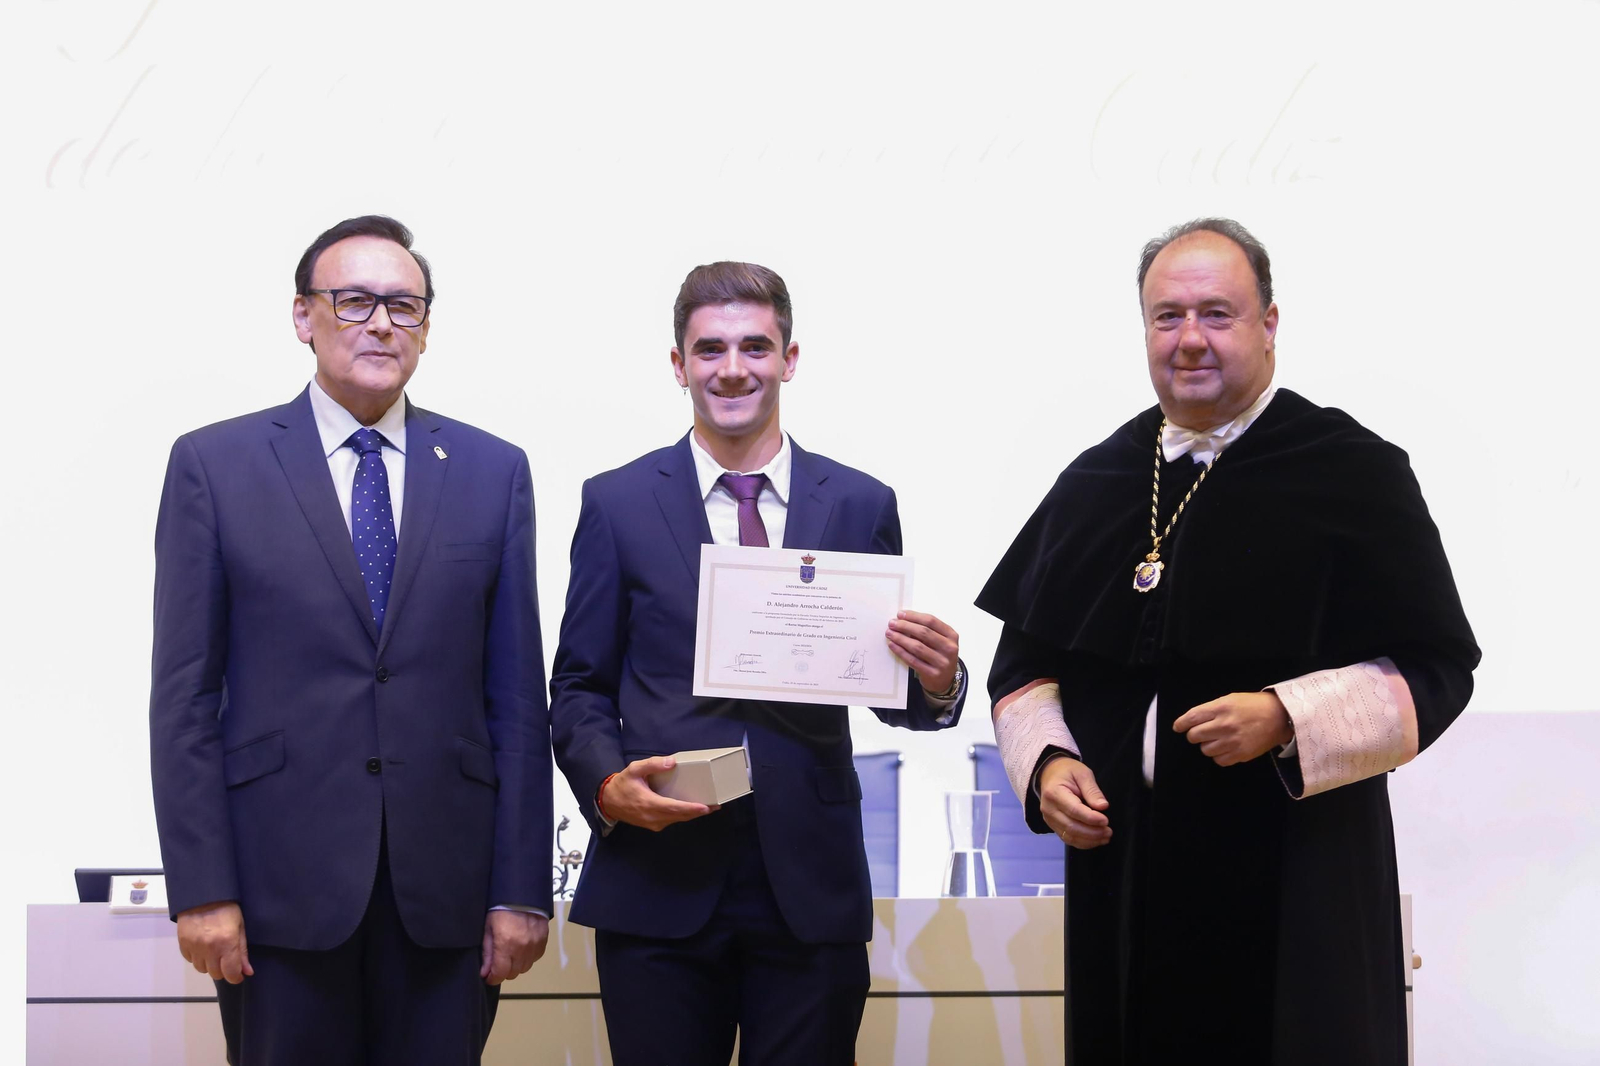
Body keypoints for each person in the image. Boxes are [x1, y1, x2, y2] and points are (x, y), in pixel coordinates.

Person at [976, 218, 1480, 1065]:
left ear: (1269, 324)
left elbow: (1439, 668)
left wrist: (1288, 715)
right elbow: (1024, 672)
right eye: (1168, 317)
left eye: (1218, 313)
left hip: (1295, 875)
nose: (1191, 340)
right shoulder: (1098, 476)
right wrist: (1050, 769)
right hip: (1126, 876)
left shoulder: (1353, 470)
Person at [149, 215, 552, 1065]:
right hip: (277, 898)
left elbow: (517, 701)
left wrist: (522, 890)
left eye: (404, 306)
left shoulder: (491, 470)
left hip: (444, 898)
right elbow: (184, 699)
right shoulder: (215, 465)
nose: (380, 323)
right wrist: (203, 889)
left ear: (427, 328)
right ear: (304, 316)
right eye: (355, 300)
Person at [550, 262, 966, 1065]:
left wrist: (939, 681)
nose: (732, 368)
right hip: (659, 878)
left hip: (808, 885)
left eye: (754, 346)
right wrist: (607, 785)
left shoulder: (859, 502)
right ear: (678, 365)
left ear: (790, 357)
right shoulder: (617, 502)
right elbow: (578, 687)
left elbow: (889, 689)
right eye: (710, 349)